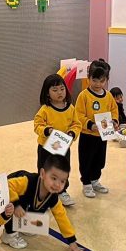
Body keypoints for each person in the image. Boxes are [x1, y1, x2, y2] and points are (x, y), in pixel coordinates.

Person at [0, 154, 85, 251]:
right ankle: (9, 235)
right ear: (42, 173)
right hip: (6, 196)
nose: (57, 185)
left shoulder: (53, 197)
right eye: (54, 178)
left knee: (39, 207)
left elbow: (61, 216)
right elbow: (6, 185)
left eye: (62, 181)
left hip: (23, 201)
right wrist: (16, 204)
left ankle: (22, 225)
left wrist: (71, 241)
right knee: (19, 205)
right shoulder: (27, 181)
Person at [33, 74, 82, 206]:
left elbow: (76, 124)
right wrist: (47, 130)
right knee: (45, 170)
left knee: (62, 169)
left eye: (62, 89)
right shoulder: (45, 110)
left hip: (63, 148)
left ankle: (62, 191)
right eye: (55, 90)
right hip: (46, 148)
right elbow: (37, 125)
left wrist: (72, 133)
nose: (59, 92)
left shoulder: (70, 108)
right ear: (47, 93)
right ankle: (43, 194)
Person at [74, 59, 117, 198]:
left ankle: (95, 180)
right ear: (88, 78)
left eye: (102, 81)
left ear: (106, 80)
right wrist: (90, 124)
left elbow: (114, 110)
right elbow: (78, 114)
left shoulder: (108, 96)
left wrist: (115, 121)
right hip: (88, 135)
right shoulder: (84, 96)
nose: (98, 84)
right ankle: (86, 183)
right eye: (94, 80)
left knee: (100, 160)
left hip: (102, 136)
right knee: (86, 160)